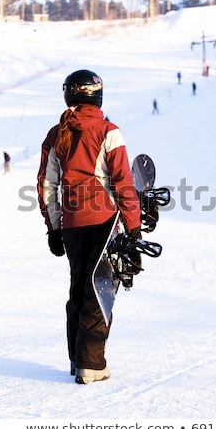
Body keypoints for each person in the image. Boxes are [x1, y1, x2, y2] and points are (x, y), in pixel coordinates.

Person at [37, 69, 141, 385]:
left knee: (78, 287)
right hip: (103, 220)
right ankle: (91, 365)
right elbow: (123, 181)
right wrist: (133, 224)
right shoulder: (109, 131)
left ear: (70, 95)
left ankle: (76, 358)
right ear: (97, 95)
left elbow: (46, 185)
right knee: (99, 289)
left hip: (71, 223)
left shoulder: (56, 134)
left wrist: (54, 228)